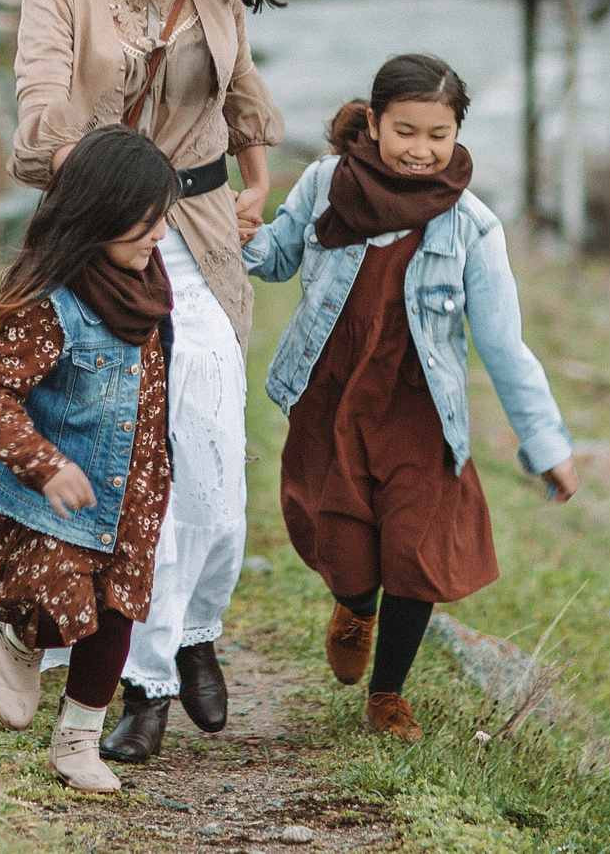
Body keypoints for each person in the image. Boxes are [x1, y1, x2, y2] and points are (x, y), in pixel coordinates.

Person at [8, 0, 285, 763]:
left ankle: (192, 627)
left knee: (207, 445)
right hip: (102, 234)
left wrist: (257, 180)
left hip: (202, 232)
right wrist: (94, 169)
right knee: (120, 448)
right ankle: (146, 674)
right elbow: (40, 101)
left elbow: (240, 83)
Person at [244, 53, 582, 742]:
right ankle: (352, 606)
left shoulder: (472, 226)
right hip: (333, 394)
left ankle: (388, 693)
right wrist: (229, 221)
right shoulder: (324, 182)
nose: (422, 150)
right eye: (405, 131)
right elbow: (276, 258)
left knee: (417, 548)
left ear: (458, 131)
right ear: (373, 123)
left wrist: (545, 444)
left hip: (419, 409)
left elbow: (504, 346)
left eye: (439, 133)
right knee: (340, 538)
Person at [0, 126, 182, 793]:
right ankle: (25, 635)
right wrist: (44, 461)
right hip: (60, 487)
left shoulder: (147, 287)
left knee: (115, 613)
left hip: (135, 489)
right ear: (97, 215)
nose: (159, 238)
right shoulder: (52, 304)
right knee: (60, 602)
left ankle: (78, 740)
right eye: (145, 223)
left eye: (163, 220)